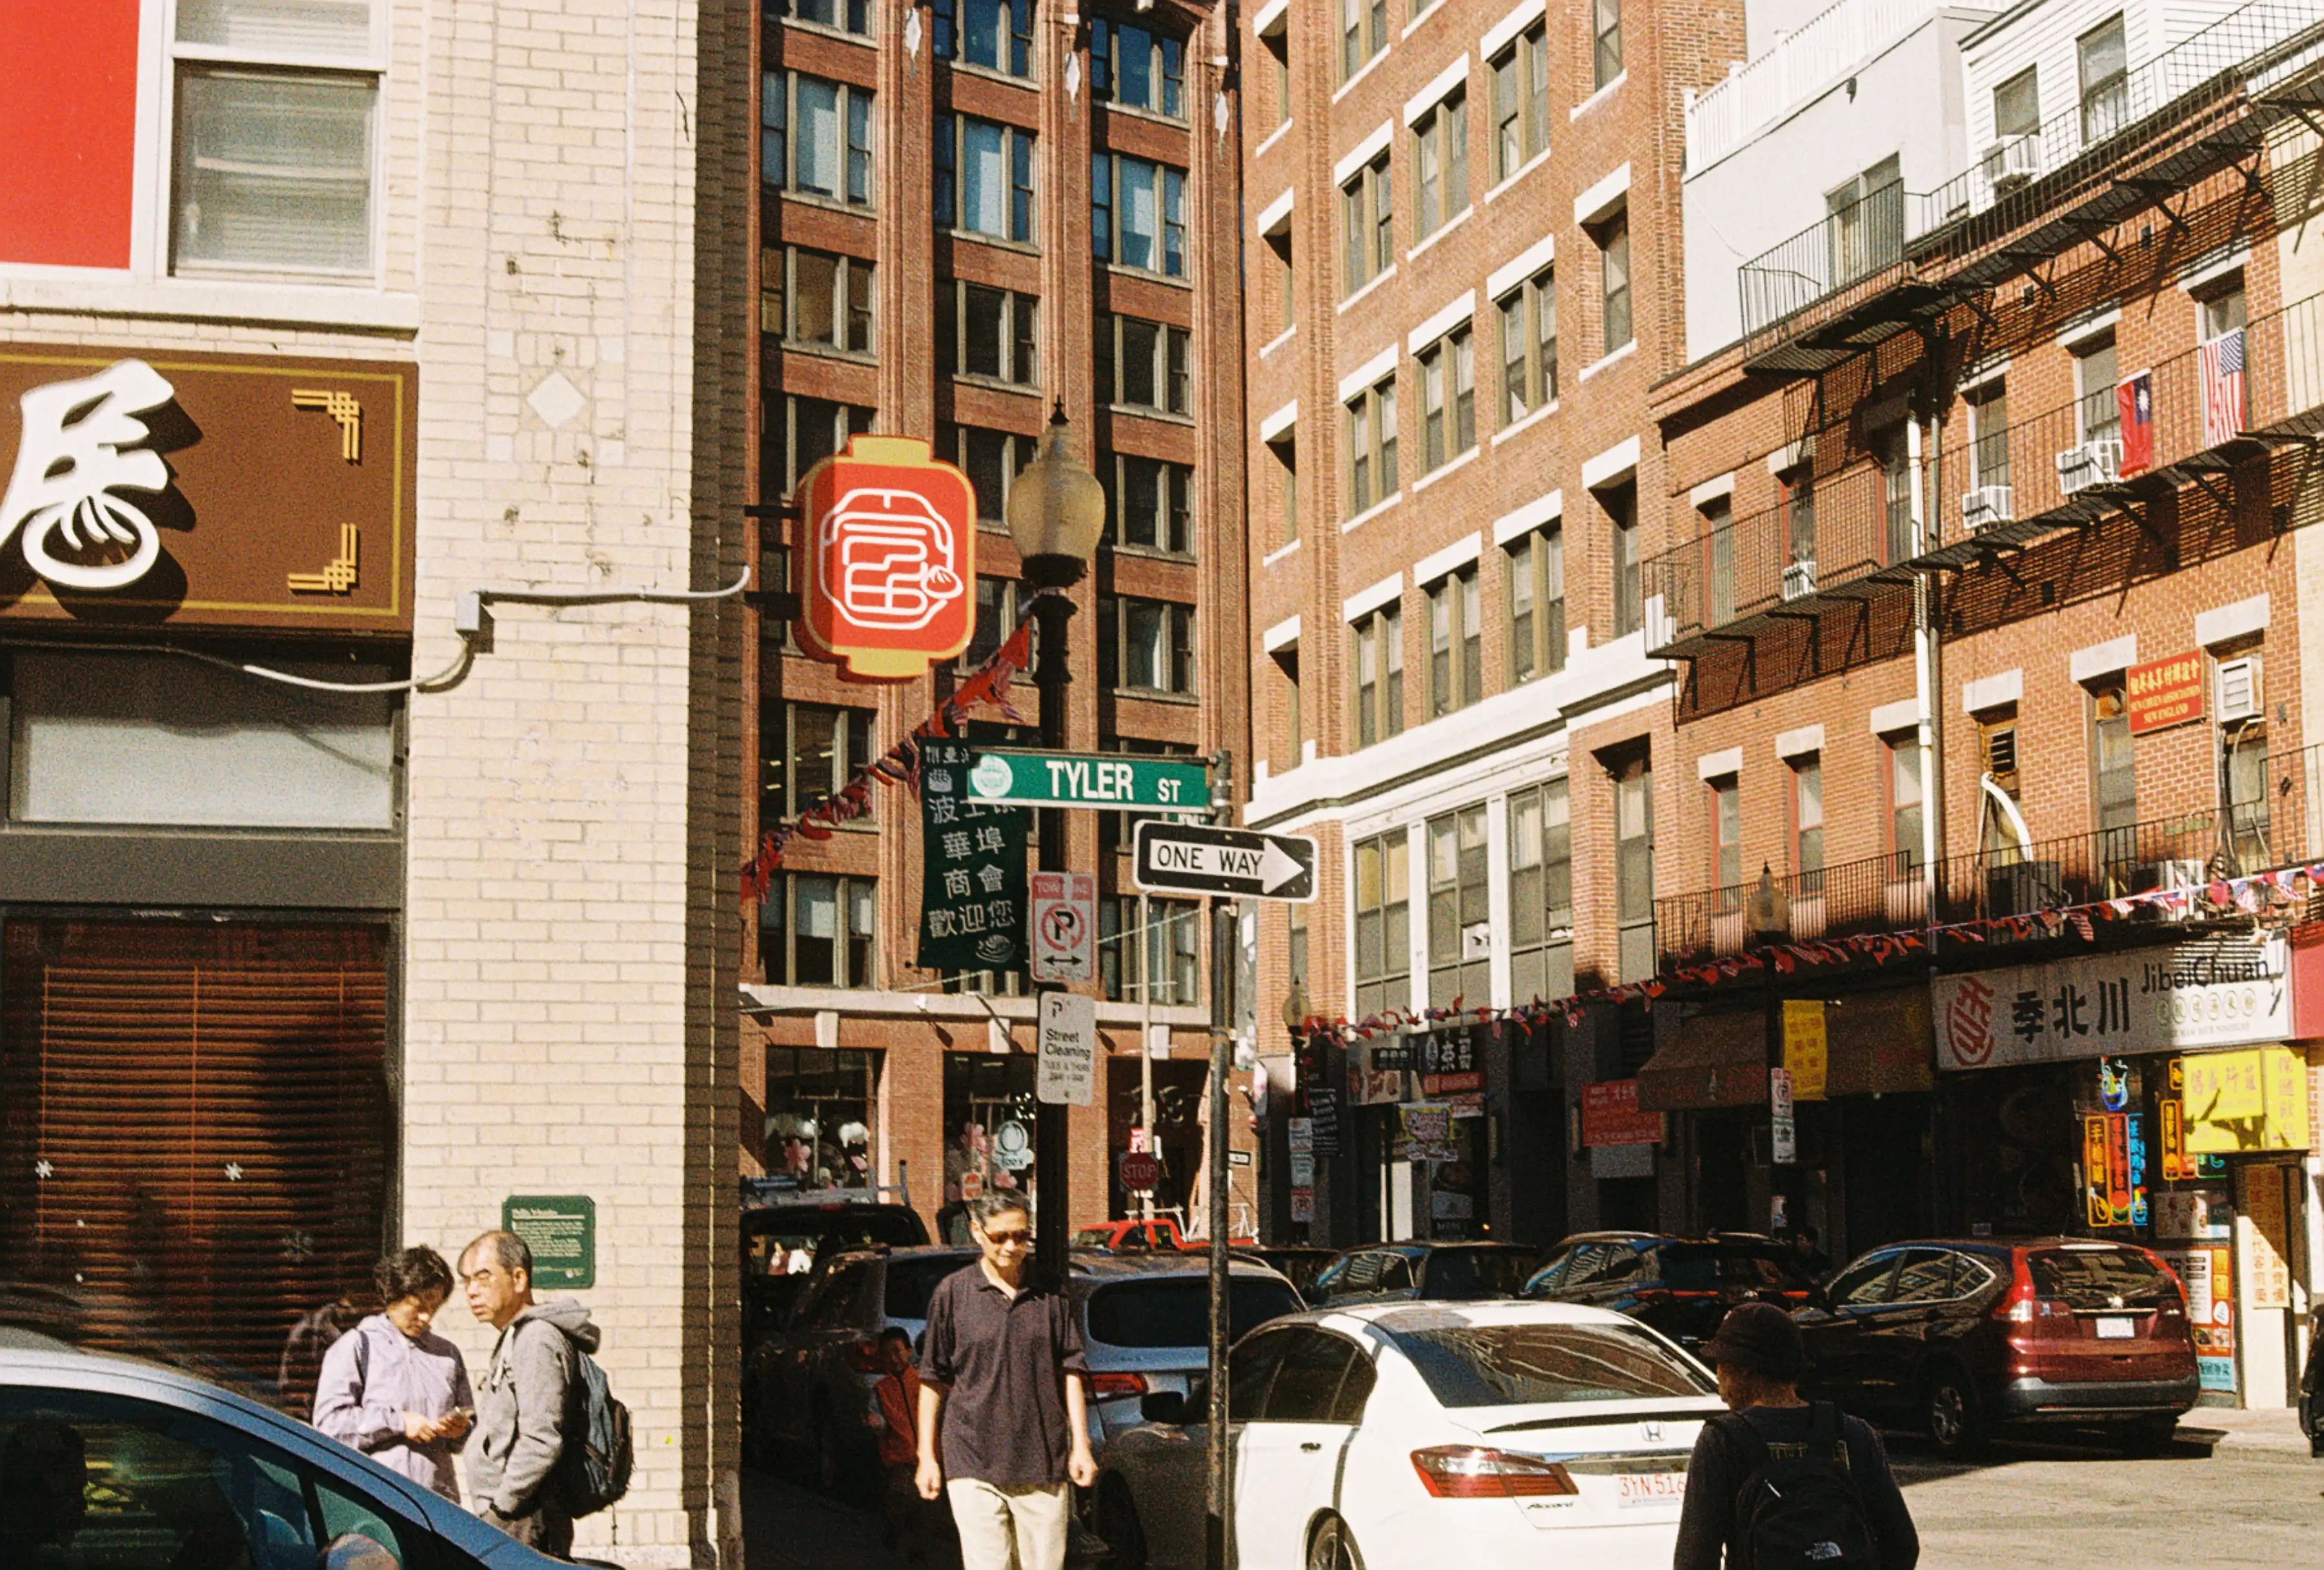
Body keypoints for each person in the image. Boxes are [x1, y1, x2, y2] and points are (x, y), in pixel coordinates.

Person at [915, 1193, 1096, 1570]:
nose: (1012, 1247)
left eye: (1020, 1236)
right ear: (978, 1233)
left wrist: (1081, 1445)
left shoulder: (1050, 1291)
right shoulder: (953, 1294)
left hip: (1042, 1459)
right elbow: (932, 1379)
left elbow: (1071, 1370)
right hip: (972, 1458)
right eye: (1000, 1237)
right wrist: (927, 1458)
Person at [1673, 1302, 1918, 1570]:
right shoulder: (1854, 1434)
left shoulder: (1721, 1442)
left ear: (1742, 1369)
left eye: (1719, 1364)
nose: (1719, 1384)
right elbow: (1903, 1545)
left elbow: (1694, 1560)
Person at [461, 1229, 601, 1560]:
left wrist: (501, 1509)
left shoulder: (536, 1339)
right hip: (516, 1517)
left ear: (519, 1278)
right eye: (466, 1281)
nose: (471, 1292)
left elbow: (541, 1438)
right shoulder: (518, 1336)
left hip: (524, 1519)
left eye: (483, 1279)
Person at [313, 1247, 475, 1502]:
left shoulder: (448, 1355)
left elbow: (470, 1430)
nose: (426, 1317)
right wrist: (398, 1423)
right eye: (418, 1307)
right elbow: (329, 1425)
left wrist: (460, 1430)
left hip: (438, 1503)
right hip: (376, 1501)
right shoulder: (358, 1346)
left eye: (434, 1308)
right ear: (392, 1297)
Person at [873, 1327, 935, 1564]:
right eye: (887, 1354)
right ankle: (893, 1530)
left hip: (929, 1455)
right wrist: (876, 1423)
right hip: (899, 1457)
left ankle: (919, 1551)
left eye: (898, 1351)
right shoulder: (881, 1389)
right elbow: (876, 1415)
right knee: (901, 1497)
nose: (894, 1358)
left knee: (927, 1508)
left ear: (909, 1351)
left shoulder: (923, 1381)